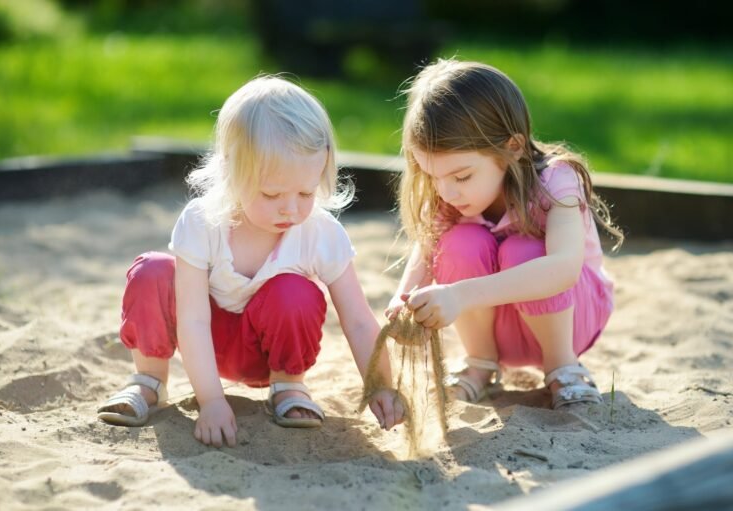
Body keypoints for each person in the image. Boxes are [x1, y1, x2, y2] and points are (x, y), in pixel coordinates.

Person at [97, 75, 404, 446]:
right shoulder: (202, 221)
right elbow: (192, 319)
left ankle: (288, 386)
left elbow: (357, 321)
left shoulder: (319, 233)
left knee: (295, 291)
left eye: (306, 192)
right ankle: (148, 381)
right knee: (152, 270)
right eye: (272, 193)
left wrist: (381, 386)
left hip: (267, 352)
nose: (291, 208)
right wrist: (211, 401)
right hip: (205, 341)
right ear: (231, 172)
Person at [385, 59, 624, 409]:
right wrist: (402, 299)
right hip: (497, 328)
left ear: (512, 146)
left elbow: (563, 268)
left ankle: (563, 368)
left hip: (572, 319)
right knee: (458, 245)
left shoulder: (556, 183)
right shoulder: (448, 195)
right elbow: (425, 254)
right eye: (432, 176)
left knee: (524, 251)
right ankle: (480, 364)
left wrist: (459, 295)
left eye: (461, 176)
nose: (446, 192)